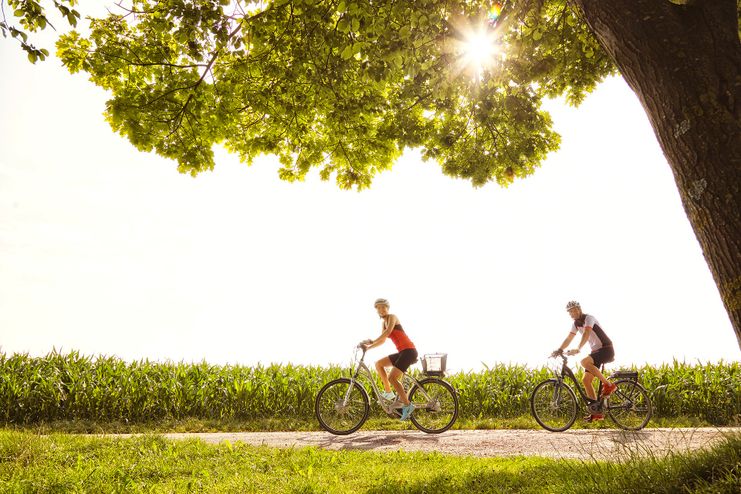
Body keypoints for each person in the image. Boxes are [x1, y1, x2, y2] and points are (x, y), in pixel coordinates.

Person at [552, 300, 617, 422]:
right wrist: (560, 349)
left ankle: (608, 385)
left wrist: (578, 348)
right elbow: (569, 337)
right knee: (586, 380)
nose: (573, 313)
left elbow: (586, 333)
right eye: (570, 312)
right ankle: (596, 411)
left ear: (579, 309)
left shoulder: (589, 318)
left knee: (584, 361)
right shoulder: (575, 324)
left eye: (574, 310)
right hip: (596, 352)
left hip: (606, 349)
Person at [360, 298, 418, 421]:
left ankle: (407, 405)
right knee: (379, 364)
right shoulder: (383, 322)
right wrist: (368, 348)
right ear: (376, 310)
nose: (381, 310)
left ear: (388, 308)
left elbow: (388, 332)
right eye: (378, 308)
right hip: (402, 352)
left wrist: (371, 341)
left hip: (409, 351)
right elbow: (382, 340)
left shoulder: (392, 317)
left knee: (392, 377)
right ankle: (388, 392)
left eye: (383, 307)